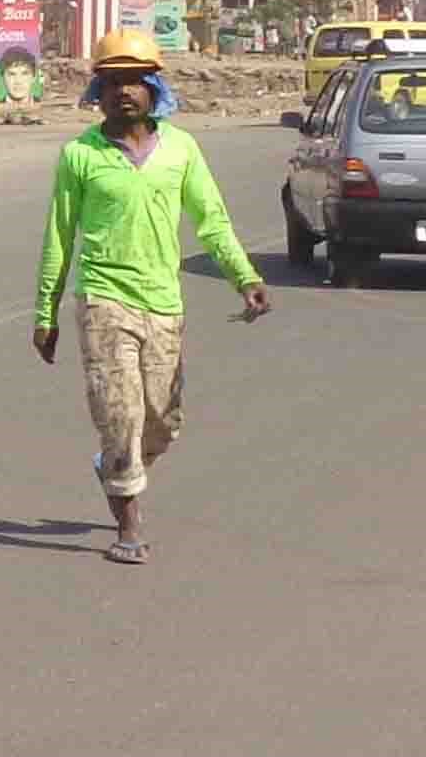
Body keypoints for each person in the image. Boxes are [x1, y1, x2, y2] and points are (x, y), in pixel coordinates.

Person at [32, 29, 273, 569]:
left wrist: (243, 276)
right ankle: (129, 522)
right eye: (113, 81)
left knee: (162, 419)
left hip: (164, 302)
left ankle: (117, 465)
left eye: (135, 81)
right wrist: (44, 312)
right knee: (120, 412)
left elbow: (212, 222)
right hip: (104, 300)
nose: (124, 92)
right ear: (98, 90)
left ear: (154, 88)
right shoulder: (79, 156)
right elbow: (59, 237)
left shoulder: (181, 150)